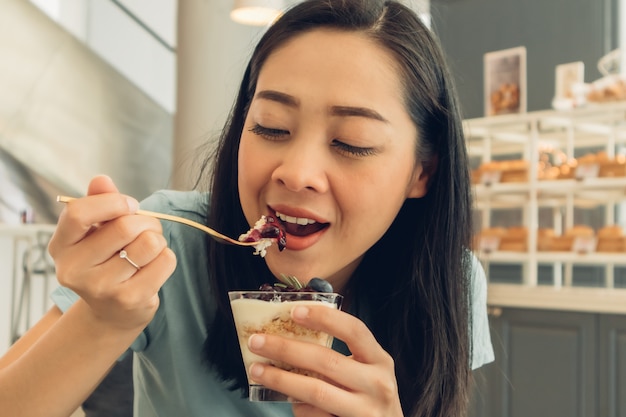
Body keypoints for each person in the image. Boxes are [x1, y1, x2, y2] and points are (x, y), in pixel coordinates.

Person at [0, 0, 494, 416]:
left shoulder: (450, 282)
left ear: (421, 172)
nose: (295, 172)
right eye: (272, 127)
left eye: (351, 142)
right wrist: (102, 320)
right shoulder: (168, 248)